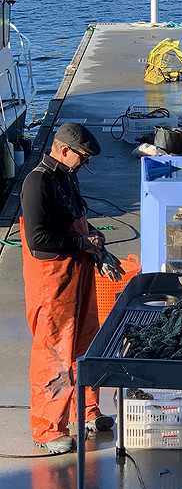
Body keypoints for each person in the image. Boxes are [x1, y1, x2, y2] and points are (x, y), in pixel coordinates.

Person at [20, 122, 114, 454]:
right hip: (52, 282)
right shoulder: (37, 183)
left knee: (86, 341)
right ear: (64, 150)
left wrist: (98, 247)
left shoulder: (67, 176)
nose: (85, 164)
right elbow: (38, 242)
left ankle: (85, 410)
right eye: (83, 158)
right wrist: (81, 243)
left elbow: (78, 220)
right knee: (54, 354)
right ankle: (47, 428)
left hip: (78, 276)